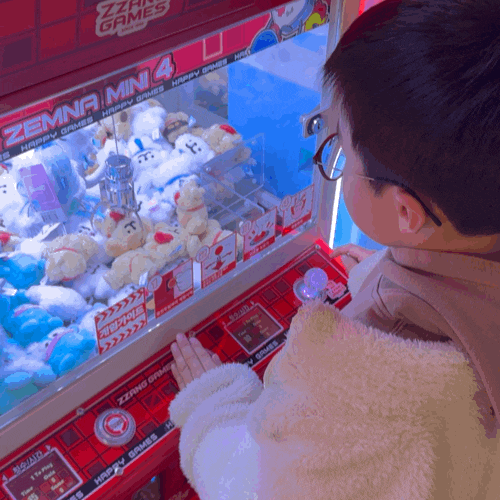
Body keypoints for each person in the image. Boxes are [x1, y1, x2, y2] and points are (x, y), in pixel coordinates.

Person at [168, 0, 500, 498]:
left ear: (405, 213)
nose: (334, 157)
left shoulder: (357, 389)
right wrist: (387, 277)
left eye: (339, 145)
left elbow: (257, 488)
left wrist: (213, 405)